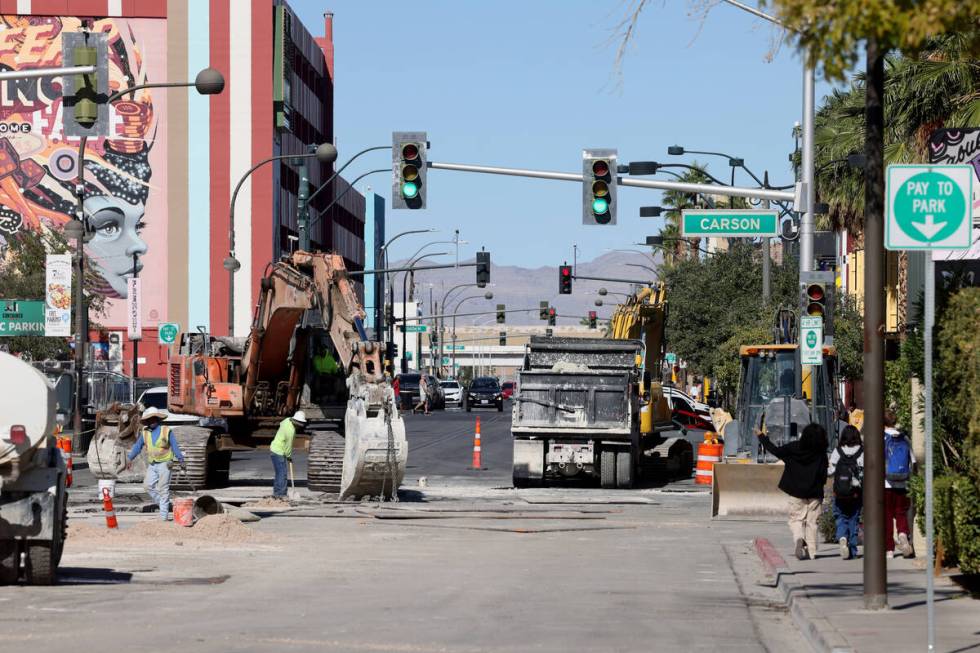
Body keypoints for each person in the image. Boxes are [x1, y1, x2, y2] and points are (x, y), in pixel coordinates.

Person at [759, 423, 829, 560]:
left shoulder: (793, 448)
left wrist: (762, 437)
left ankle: (798, 538)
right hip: (815, 492)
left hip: (796, 491)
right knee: (812, 522)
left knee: (796, 519)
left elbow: (776, 451)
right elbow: (823, 474)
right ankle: (812, 551)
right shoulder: (821, 454)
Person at [126, 407, 186, 521]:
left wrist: (181, 459)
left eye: (154, 419)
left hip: (165, 463)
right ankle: (165, 504)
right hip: (153, 464)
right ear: (147, 421)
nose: (152, 421)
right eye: (149, 420)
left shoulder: (166, 430)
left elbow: (175, 446)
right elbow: (137, 446)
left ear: (158, 419)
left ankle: (163, 517)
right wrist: (130, 458)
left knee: (163, 489)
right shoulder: (145, 433)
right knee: (148, 486)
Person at [828, 425, 864, 559]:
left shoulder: (837, 451)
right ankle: (853, 551)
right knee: (854, 519)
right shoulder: (862, 451)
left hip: (840, 493)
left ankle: (842, 537)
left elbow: (831, 472)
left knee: (840, 517)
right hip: (856, 492)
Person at [884, 410, 916, 558]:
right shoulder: (905, 438)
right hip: (903, 483)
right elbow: (913, 461)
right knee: (901, 512)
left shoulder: (882, 438)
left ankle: (889, 549)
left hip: (886, 484)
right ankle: (903, 534)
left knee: (887, 515)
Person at [269, 410, 306, 499]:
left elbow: (282, 422)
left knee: (279, 473)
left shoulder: (287, 420)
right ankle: (281, 494)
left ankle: (277, 493)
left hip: (274, 449)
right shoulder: (290, 431)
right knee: (282, 474)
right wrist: (289, 457)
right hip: (279, 451)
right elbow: (288, 447)